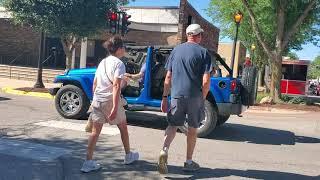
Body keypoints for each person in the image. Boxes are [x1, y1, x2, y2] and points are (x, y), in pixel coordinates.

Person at [158, 24, 212, 174]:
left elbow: (168, 77)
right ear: (198, 36)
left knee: (173, 125)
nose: (201, 37)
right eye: (201, 34)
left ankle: (164, 150)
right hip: (194, 96)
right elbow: (206, 81)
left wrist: (164, 97)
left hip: (176, 95)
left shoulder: (176, 51)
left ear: (188, 35)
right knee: (192, 129)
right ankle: (188, 161)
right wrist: (202, 97)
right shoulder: (203, 53)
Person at [81, 36, 139, 173]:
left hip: (98, 99)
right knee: (123, 127)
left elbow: (95, 83)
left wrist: (94, 99)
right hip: (110, 100)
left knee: (95, 133)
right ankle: (128, 155)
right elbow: (116, 86)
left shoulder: (103, 62)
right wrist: (114, 107)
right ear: (119, 49)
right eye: (123, 47)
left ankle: (87, 162)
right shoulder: (119, 64)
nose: (124, 49)